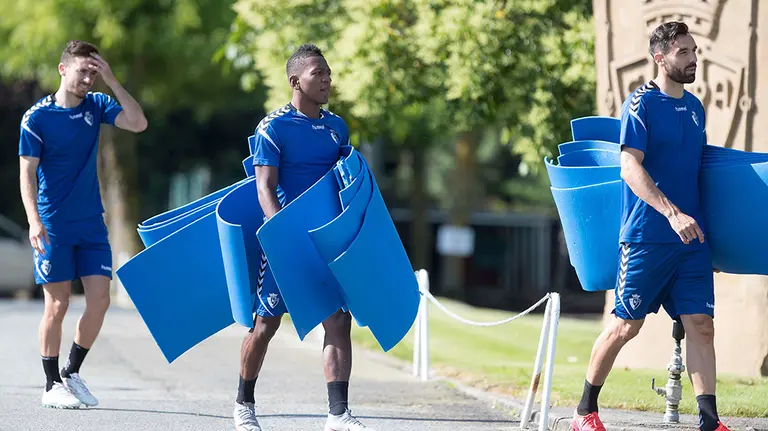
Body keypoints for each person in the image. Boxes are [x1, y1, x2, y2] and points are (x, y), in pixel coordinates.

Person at [570, 22, 730, 431]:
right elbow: (629, 167)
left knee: (701, 325)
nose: (694, 58)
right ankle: (584, 412)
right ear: (660, 58)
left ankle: (710, 422)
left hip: (691, 243)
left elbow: (697, 174)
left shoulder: (695, 108)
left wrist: (709, 239)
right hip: (647, 238)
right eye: (684, 52)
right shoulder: (640, 104)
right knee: (626, 325)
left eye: (695, 50)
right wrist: (672, 213)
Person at [232, 44, 374, 431]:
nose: (327, 80)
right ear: (295, 81)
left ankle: (338, 414)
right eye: (318, 74)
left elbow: (345, 180)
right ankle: (244, 404)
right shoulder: (272, 127)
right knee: (266, 324)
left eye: (328, 73)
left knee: (338, 321)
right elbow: (265, 187)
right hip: (285, 243)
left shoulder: (336, 127)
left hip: (325, 241)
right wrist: (282, 235)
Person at [19, 40, 148, 409]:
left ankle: (71, 373)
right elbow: (26, 174)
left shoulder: (98, 105)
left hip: (91, 224)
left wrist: (112, 79)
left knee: (100, 300)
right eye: (83, 71)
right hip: (53, 224)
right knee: (56, 306)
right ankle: (49, 386)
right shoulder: (37, 118)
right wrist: (33, 221)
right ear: (63, 69)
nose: (88, 78)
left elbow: (138, 123)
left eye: (93, 72)